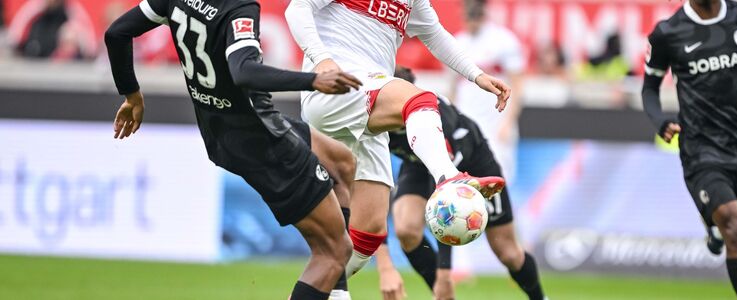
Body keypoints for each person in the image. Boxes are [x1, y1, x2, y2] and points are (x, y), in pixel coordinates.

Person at [104, 1, 364, 299]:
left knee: (341, 162)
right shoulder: (239, 7)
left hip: (221, 131)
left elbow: (117, 33)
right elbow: (244, 72)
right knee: (334, 251)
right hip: (261, 140)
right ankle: (330, 282)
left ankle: (336, 294)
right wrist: (313, 80)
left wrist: (132, 96)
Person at [284, 1, 512, 298]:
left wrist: (476, 75)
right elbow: (296, 9)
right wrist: (321, 58)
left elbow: (435, 34)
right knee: (421, 101)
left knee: (367, 235)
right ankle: (448, 178)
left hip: (367, 99)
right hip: (336, 86)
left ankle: (311, 292)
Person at [642, 0, 737, 299]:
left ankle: (714, 227)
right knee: (735, 228)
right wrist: (660, 121)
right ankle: (719, 224)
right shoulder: (668, 33)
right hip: (701, 150)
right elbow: (649, 89)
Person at [373, 66, 546, 300]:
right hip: (418, 164)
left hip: (474, 163)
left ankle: (539, 298)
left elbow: (449, 203)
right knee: (406, 229)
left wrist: (446, 274)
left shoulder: (432, 118)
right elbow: (372, 191)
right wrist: (385, 265)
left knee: (508, 253)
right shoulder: (374, 122)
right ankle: (444, 295)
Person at [451, 0, 525, 185]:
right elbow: (452, 89)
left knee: (498, 181)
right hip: (466, 124)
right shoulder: (457, 42)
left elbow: (518, 85)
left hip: (495, 123)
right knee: (466, 183)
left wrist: (508, 122)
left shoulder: (504, 40)